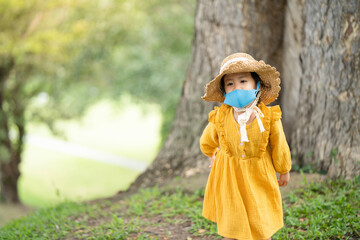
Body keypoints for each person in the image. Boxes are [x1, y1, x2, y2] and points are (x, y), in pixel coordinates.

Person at [200, 53, 291, 240]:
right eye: (230, 84)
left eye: (243, 81)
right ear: (225, 92)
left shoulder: (268, 117)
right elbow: (209, 139)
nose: (237, 88)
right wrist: (211, 153)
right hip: (229, 175)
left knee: (260, 218)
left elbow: (279, 143)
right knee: (232, 222)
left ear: (257, 85)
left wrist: (284, 170)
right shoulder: (221, 116)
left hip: (259, 174)